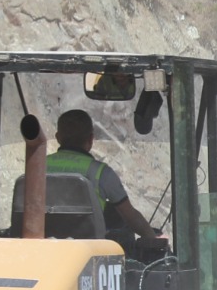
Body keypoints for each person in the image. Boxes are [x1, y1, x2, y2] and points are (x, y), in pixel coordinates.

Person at [32, 108, 169, 261]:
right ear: (91, 140)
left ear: (58, 138)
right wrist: (152, 237)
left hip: (41, 254)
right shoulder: (101, 173)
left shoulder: (35, 167)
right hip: (87, 259)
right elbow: (130, 216)